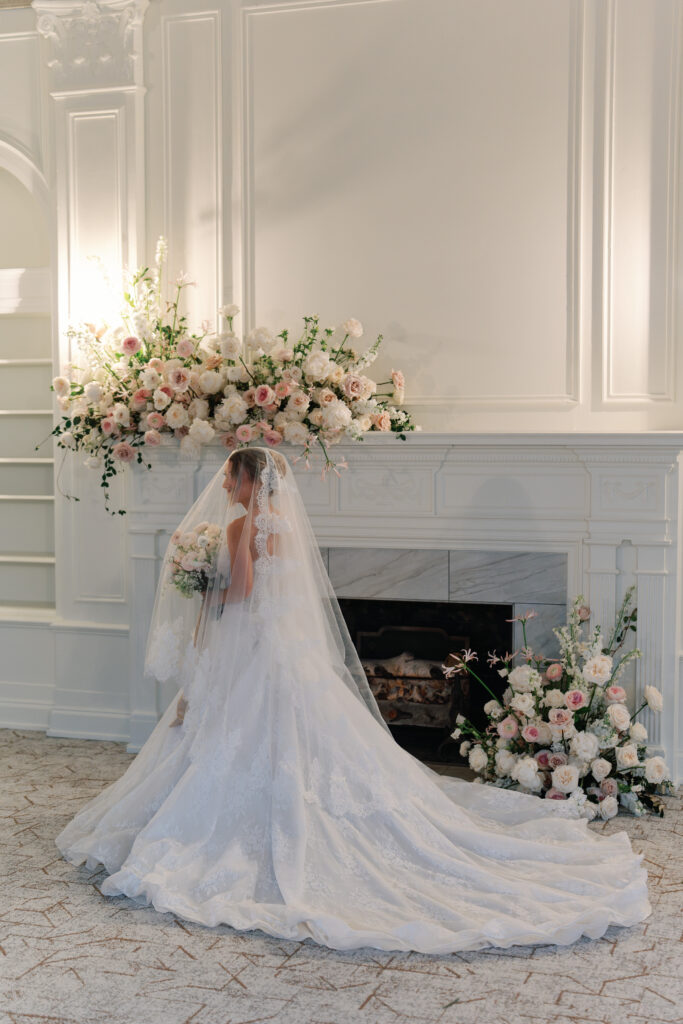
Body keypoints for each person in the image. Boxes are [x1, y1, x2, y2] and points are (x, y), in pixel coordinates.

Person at [54, 447, 651, 954]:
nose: (226, 486)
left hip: (250, 647)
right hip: (287, 650)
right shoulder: (282, 527)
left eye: (231, 477)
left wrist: (204, 586)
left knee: (234, 732)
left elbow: (240, 592)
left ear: (247, 481)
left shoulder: (240, 528)